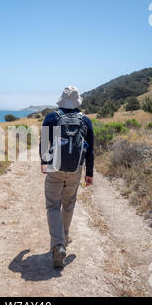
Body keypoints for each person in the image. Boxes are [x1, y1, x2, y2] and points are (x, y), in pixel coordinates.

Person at [39, 86, 94, 268]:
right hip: (76, 169)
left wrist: (44, 162)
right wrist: (89, 173)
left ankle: (58, 245)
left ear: (62, 99)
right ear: (78, 101)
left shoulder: (52, 117)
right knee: (68, 203)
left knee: (53, 205)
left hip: (55, 167)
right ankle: (64, 237)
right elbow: (90, 150)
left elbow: (44, 142)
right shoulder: (85, 120)